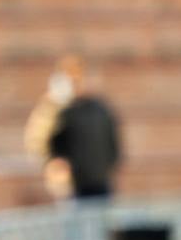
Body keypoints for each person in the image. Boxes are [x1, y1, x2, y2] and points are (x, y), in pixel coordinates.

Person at [24, 55, 122, 200]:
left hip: (100, 181)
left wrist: (108, 166)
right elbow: (38, 140)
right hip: (71, 186)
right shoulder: (57, 109)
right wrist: (52, 165)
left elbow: (113, 142)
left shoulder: (99, 108)